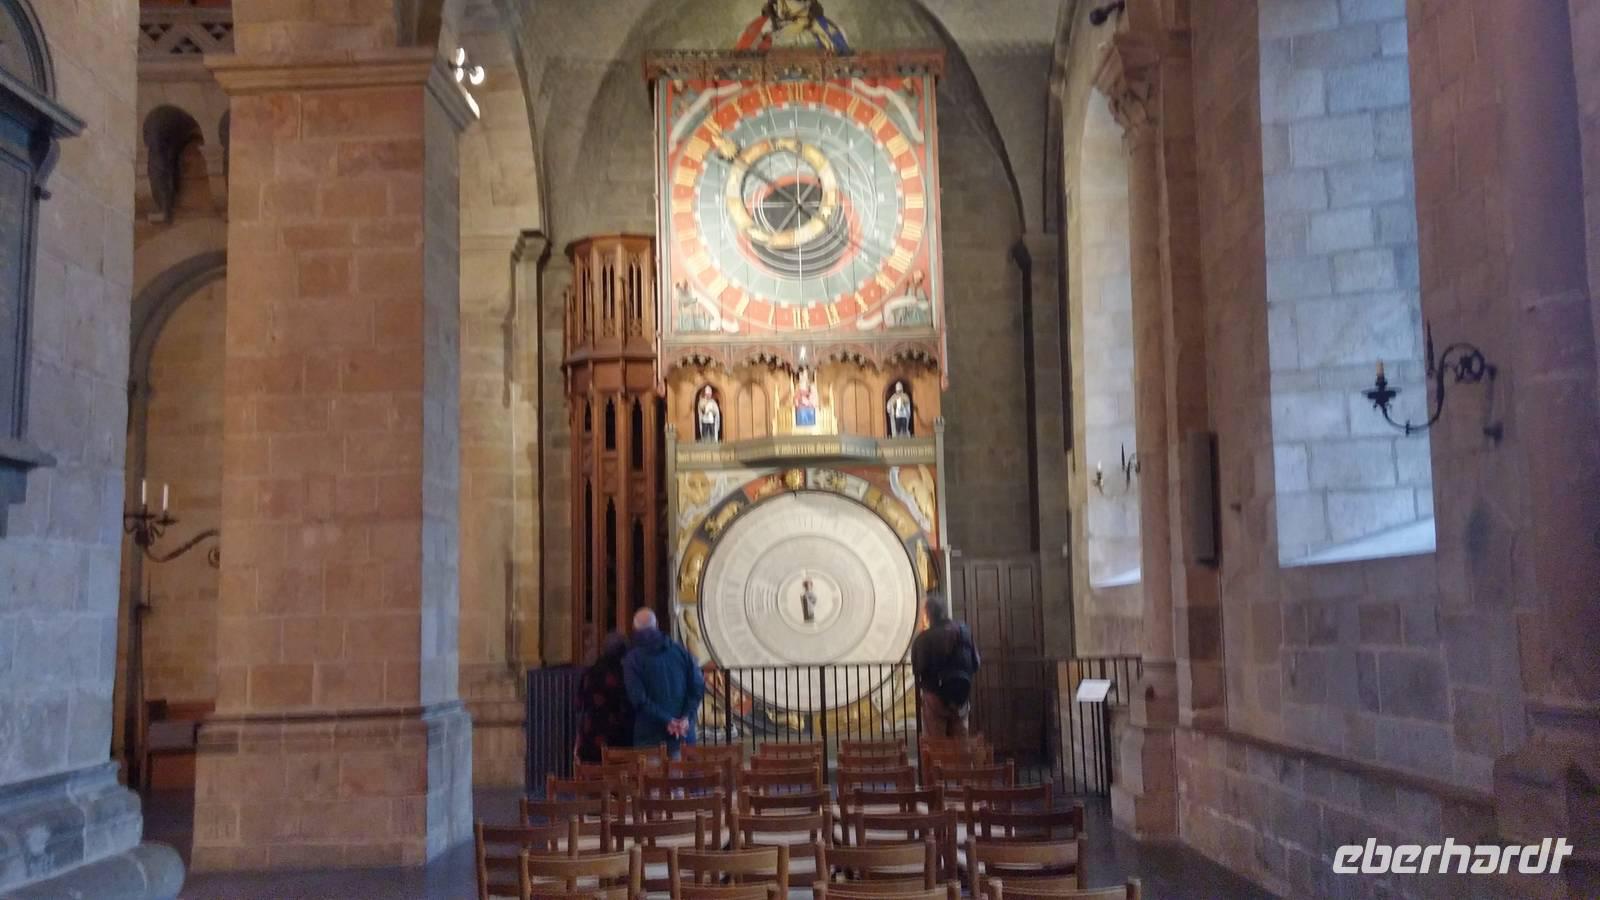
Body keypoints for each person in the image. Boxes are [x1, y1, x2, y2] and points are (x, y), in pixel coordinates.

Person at [622, 608, 706, 754]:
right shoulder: (680, 652)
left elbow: (638, 698)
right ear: (657, 625)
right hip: (683, 738)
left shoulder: (633, 659)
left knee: (652, 777)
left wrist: (668, 720)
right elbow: (697, 687)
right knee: (687, 776)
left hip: (650, 739)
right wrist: (686, 717)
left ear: (634, 629)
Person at [910, 596, 980, 737]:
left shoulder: (923, 638)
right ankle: (960, 759)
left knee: (936, 746)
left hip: (935, 697)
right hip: (961, 696)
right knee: (961, 746)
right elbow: (976, 663)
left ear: (928, 614)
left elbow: (918, 669)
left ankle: (938, 759)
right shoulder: (963, 631)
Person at [574, 633, 633, 764]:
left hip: (590, 738)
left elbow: (579, 704)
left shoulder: (589, 673)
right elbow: (629, 704)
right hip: (617, 739)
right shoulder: (624, 674)